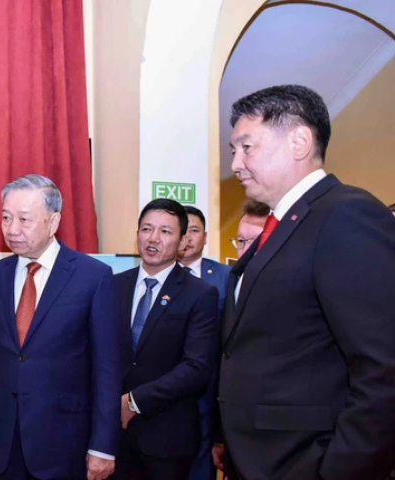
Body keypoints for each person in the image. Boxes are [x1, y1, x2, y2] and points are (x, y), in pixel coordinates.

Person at [219, 85, 395, 479]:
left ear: (299, 142)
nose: (236, 163)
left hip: (304, 461)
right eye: (233, 150)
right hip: (259, 459)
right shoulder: (282, 225)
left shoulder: (346, 215)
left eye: (246, 147)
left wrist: (340, 469)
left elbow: (383, 369)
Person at [0, 174, 119, 480]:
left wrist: (103, 446)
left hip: (64, 444)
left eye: (24, 219)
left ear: (53, 221)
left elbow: (106, 370)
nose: (12, 229)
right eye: (6, 217)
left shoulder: (92, 277)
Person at [113, 199, 219, 480]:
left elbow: (196, 367)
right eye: (146, 229)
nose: (153, 238)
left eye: (165, 231)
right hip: (112, 436)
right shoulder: (112, 285)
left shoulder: (200, 294)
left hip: (167, 439)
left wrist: (134, 401)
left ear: (182, 241)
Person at [177, 206, 229, 480]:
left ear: (205, 237)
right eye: (182, 231)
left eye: (194, 231)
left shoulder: (226, 276)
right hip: (166, 387)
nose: (187, 238)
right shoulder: (156, 275)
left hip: (210, 388)